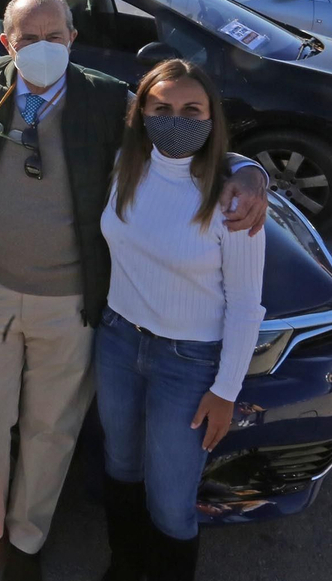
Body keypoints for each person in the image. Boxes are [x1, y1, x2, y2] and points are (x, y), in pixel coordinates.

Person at [0, 0, 269, 581]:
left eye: (54, 36)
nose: (42, 49)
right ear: (5, 44)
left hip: (69, 304)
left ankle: (26, 540)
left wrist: (252, 172)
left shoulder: (106, 99)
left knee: (51, 431)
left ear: (73, 37)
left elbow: (182, 139)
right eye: (27, 39)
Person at [97, 60, 265, 581]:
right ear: (141, 113)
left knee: (171, 500)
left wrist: (225, 389)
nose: (176, 119)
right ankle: (125, 568)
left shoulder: (232, 200)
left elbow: (244, 305)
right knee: (120, 468)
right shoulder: (125, 166)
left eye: (191, 110)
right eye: (161, 108)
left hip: (187, 364)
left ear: (212, 117)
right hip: (118, 341)